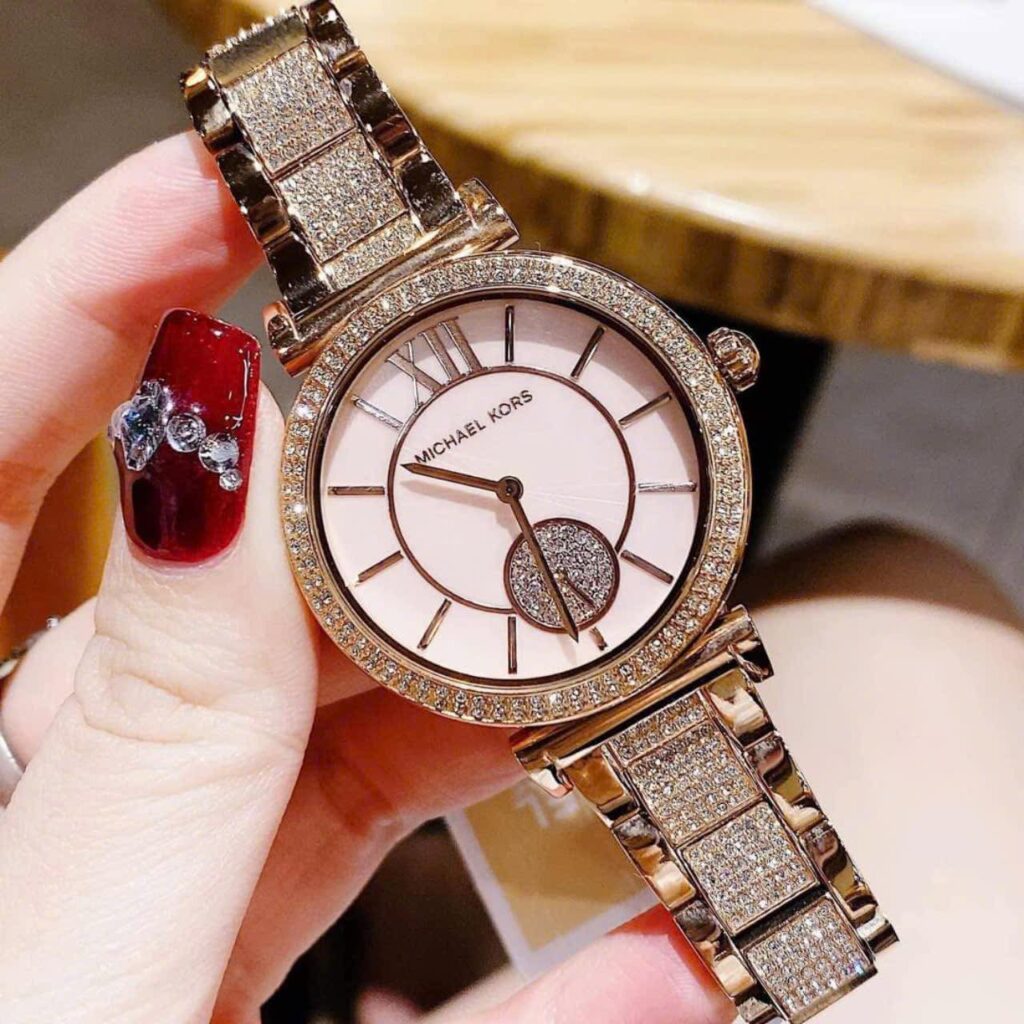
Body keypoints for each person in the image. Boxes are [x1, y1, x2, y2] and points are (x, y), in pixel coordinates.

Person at [0, 133, 1021, 1024]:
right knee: (904, 572)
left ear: (710, 373)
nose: (507, 484)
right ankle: (803, 944)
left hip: (639, 650)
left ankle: (805, 944)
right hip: (572, 659)